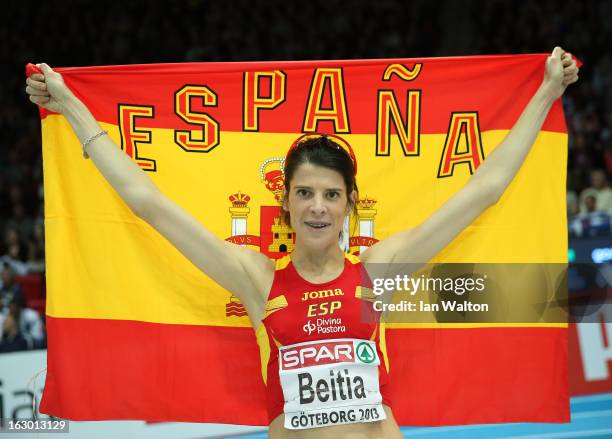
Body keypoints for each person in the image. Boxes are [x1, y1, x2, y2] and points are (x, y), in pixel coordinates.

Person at [25, 47, 578, 438]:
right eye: (306, 193)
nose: (318, 206)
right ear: (286, 202)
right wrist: (70, 105)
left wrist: (549, 89)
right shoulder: (257, 279)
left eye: (331, 195)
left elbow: (485, 190)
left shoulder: (378, 269)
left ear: (348, 205)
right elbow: (147, 203)